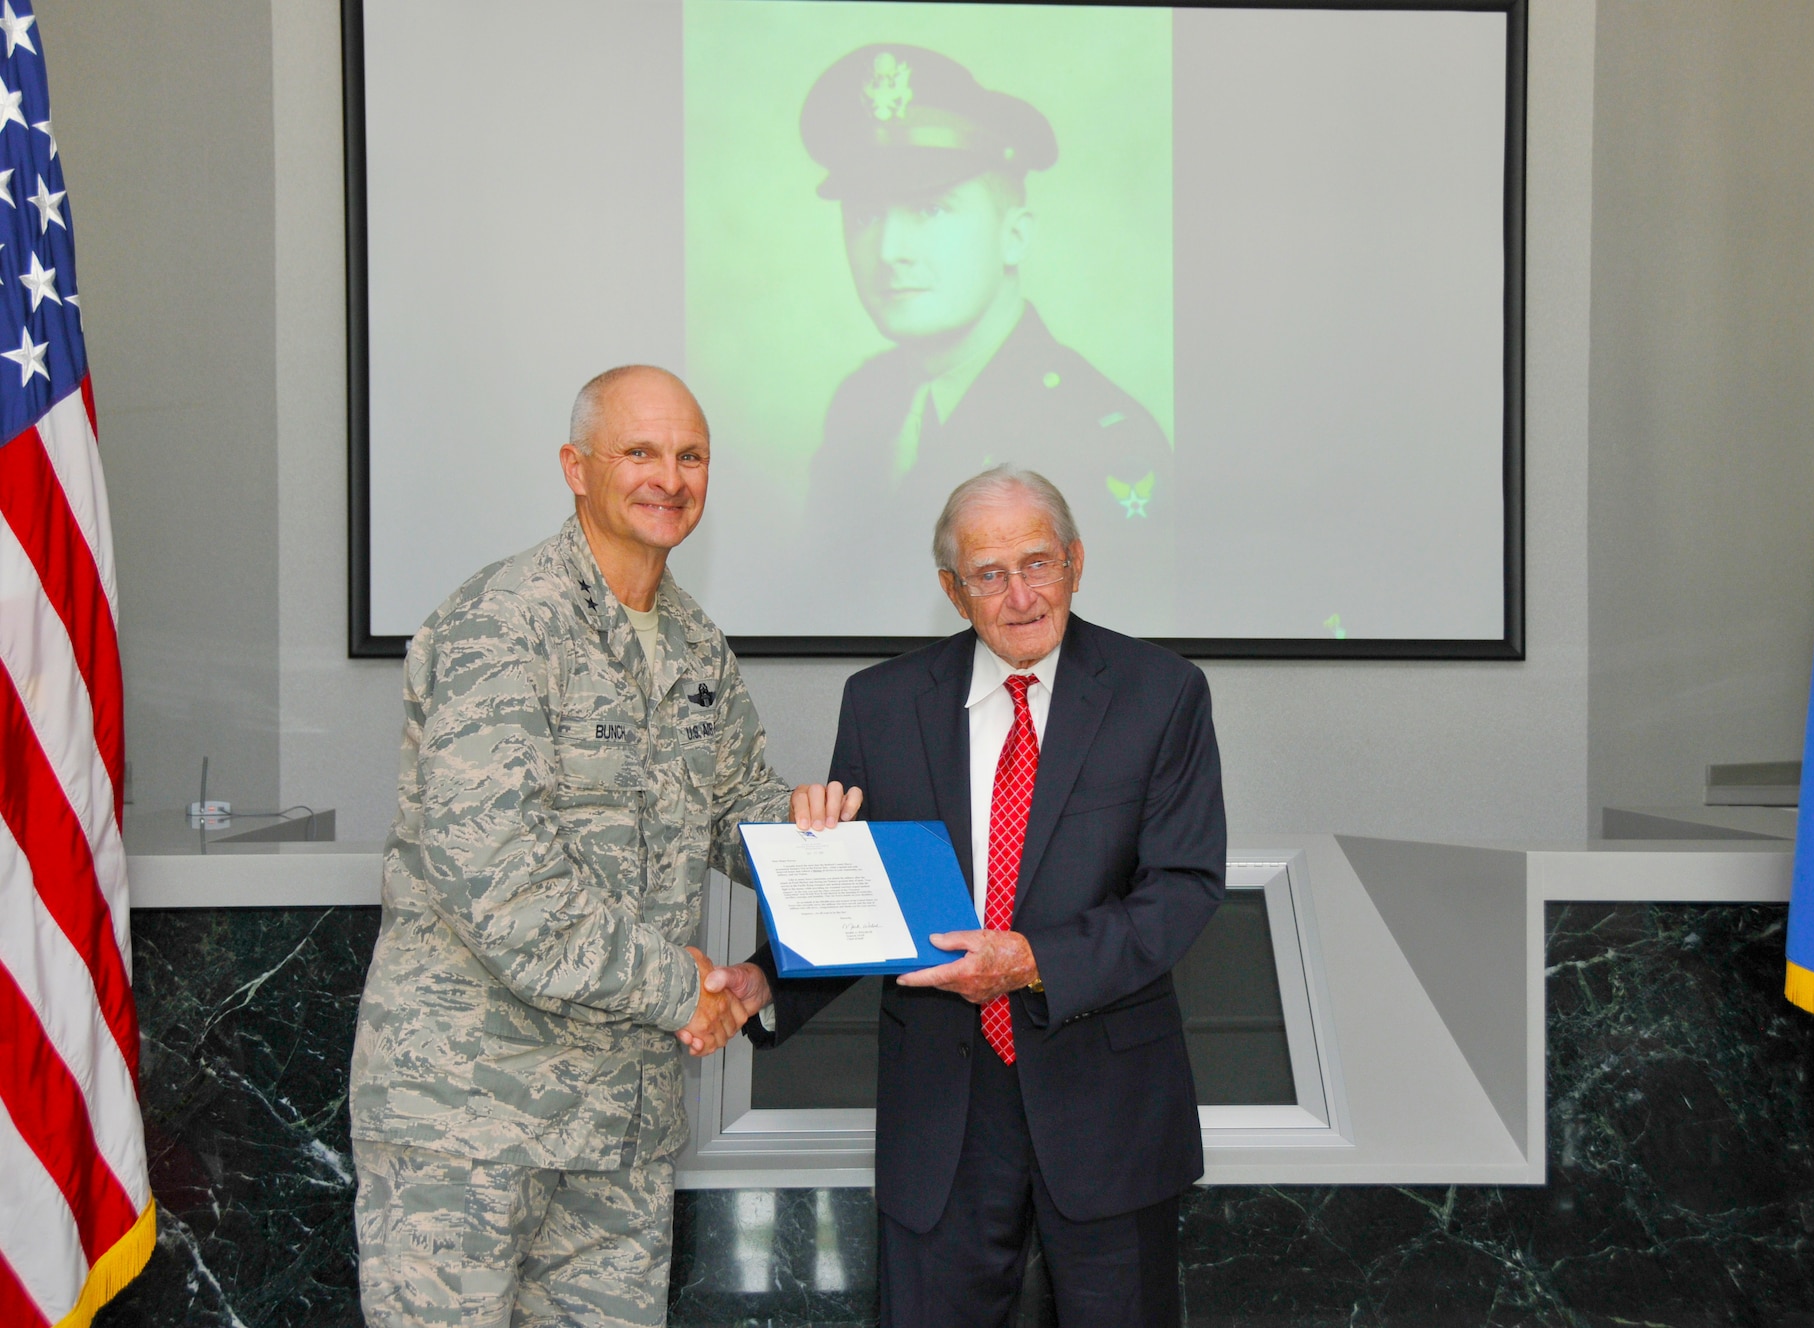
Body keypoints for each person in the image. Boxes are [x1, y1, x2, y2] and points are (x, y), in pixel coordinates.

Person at [346, 365, 859, 1328]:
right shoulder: (501, 625)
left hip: (620, 1127)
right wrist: (690, 991)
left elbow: (731, 807)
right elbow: (502, 885)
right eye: (641, 452)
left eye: (691, 455)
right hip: (469, 1118)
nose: (670, 477)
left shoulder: (697, 646)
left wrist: (816, 848)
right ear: (576, 468)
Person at [713, 465, 1226, 1325]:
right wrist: (767, 980)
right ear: (954, 592)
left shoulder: (1162, 694)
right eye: (991, 575)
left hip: (1107, 1110)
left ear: (1076, 562)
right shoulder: (881, 705)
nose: (1021, 595)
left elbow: (1181, 889)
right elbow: (867, 900)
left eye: (1039, 564)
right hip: (943, 1117)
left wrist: (1032, 962)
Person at [800, 46, 1177, 635]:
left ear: (1014, 235)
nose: (891, 249)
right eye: (867, 215)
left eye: (929, 208)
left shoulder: (1101, 436)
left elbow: (1112, 675)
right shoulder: (862, 401)